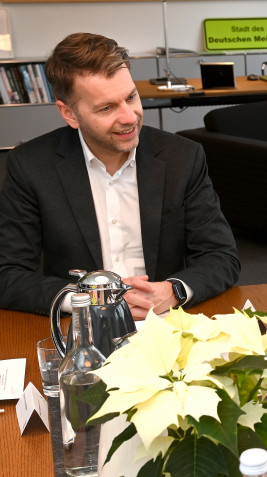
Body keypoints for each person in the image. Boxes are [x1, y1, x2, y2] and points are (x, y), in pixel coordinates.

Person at [0, 33, 241, 319]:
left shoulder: (183, 157)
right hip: (81, 331)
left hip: (165, 322)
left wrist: (173, 291)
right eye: (107, 108)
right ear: (70, 114)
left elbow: (221, 257)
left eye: (131, 97)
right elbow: (8, 274)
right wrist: (87, 301)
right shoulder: (30, 166)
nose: (129, 117)